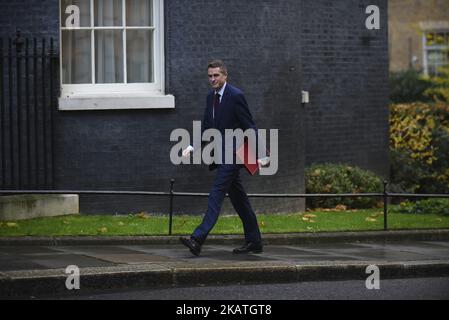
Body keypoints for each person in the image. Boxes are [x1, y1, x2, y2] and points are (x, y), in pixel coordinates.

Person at [179, 59, 263, 256]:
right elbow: (208, 126)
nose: (212, 79)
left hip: (233, 156)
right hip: (221, 154)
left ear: (225, 75)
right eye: (210, 76)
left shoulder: (236, 96)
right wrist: (192, 146)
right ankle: (255, 241)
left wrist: (258, 154)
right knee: (240, 200)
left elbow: (249, 126)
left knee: (216, 194)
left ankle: (197, 239)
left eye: (216, 75)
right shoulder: (211, 98)